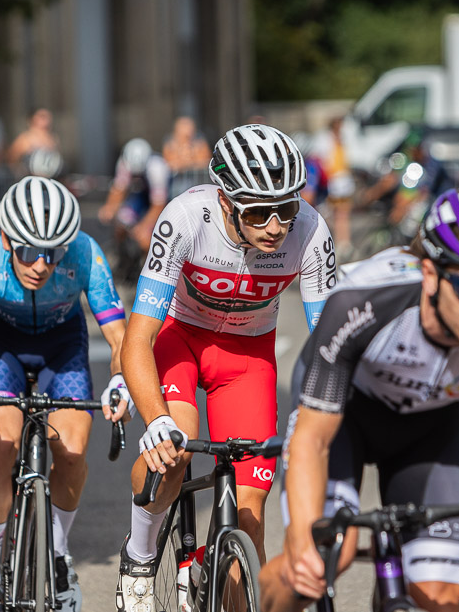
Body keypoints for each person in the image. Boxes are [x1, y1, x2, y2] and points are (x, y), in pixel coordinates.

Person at [260, 184, 459, 612]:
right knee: (320, 562)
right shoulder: (363, 304)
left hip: (432, 431)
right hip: (343, 420)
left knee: (440, 598)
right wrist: (302, 537)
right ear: (431, 275)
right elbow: (311, 441)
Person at [116, 124, 338, 612]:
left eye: (287, 208)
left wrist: (321, 417)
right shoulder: (184, 219)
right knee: (173, 453)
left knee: (250, 517)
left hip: (247, 357)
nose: (277, 225)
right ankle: (140, 556)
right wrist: (155, 420)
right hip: (180, 340)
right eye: (259, 211)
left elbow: (331, 344)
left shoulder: (310, 231)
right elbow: (138, 339)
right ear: (225, 201)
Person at [0, 176, 129, 612]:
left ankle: (60, 554)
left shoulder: (85, 253)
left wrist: (122, 381)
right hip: (0, 346)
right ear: (7, 239)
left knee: (70, 451)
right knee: (2, 445)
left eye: (53, 253)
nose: (41, 265)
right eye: (28, 252)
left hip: (61, 348)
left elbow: (121, 340)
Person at [98, 138, 171, 264]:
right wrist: (109, 208)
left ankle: (148, 264)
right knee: (122, 222)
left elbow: (158, 205)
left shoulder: (158, 168)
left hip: (159, 200)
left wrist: (143, 226)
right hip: (140, 195)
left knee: (145, 237)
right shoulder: (124, 163)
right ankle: (122, 258)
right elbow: (118, 189)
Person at [309, 116, 354, 253]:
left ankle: (343, 241)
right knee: (328, 213)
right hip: (331, 180)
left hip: (343, 179)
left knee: (343, 213)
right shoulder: (323, 138)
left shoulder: (344, 138)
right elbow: (321, 160)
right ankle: (327, 239)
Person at [162, 116, 210, 198]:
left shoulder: (200, 144)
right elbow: (168, 163)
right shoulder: (170, 145)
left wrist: (188, 164)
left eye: (190, 127)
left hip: (197, 183)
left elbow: (206, 161)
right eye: (184, 127)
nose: (188, 131)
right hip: (176, 184)